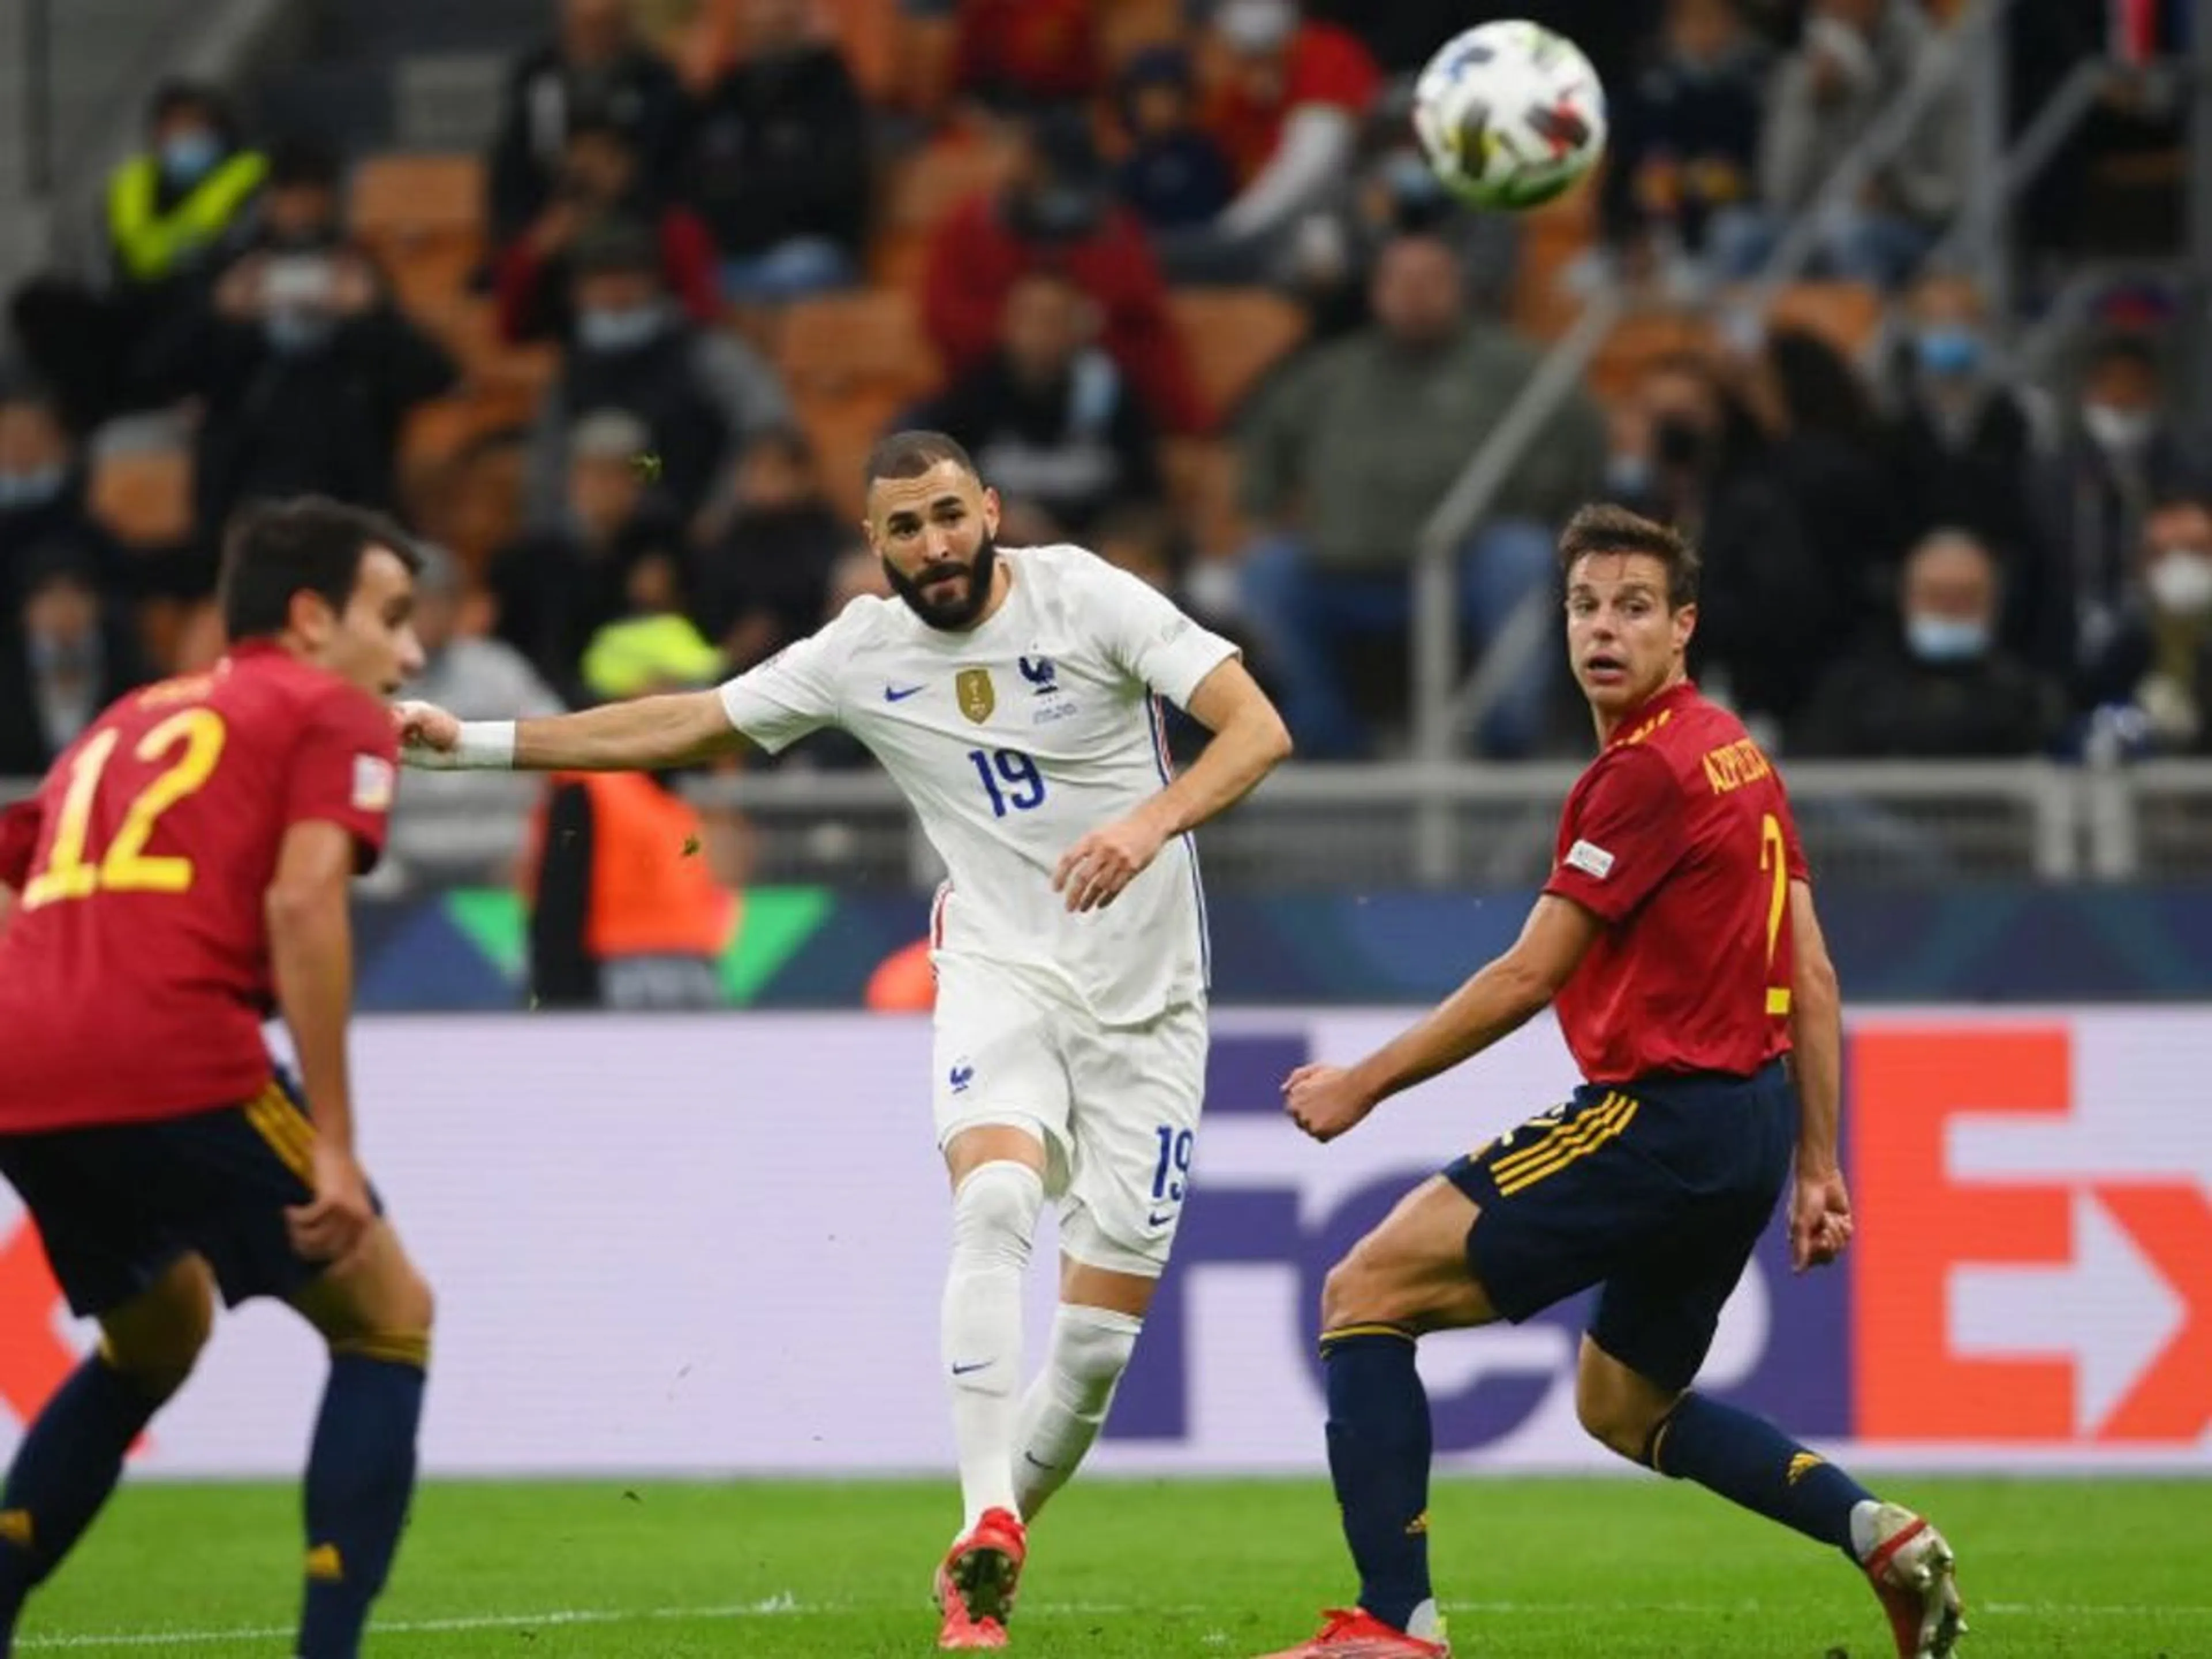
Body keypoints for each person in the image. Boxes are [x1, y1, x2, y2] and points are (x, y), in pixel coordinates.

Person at [398, 430, 1293, 1650]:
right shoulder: (859, 653)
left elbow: (1256, 731)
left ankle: (986, 1539)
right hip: (999, 966)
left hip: (1152, 1004)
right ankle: (988, 1523)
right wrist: (480, 746)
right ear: (874, 546)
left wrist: (1148, 824)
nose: (934, 547)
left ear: (989, 507)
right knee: (992, 1204)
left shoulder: (1087, 594)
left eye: (947, 517)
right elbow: (687, 724)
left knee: (1089, 1358)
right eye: (904, 530)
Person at [1251, 505, 1964, 1659]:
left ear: (1682, 628)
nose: (1604, 629)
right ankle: (1871, 1528)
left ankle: (1393, 1624)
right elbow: (1816, 973)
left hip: (1663, 1117)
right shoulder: (1737, 750)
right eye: (1586, 605)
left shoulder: (1638, 778)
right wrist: (1819, 1164)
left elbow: (1532, 971)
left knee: (1364, 1291)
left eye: (1634, 608)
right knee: (1624, 1408)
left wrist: (1365, 1086)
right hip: (1749, 1124)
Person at [0, 498, 434, 1659]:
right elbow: (303, 903)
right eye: (392, 618)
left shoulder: (126, 717)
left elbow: (13, 855)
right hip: (176, 1052)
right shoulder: (330, 709)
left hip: (20, 1069)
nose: (411, 653)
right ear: (308, 617)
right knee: (389, 1318)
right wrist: (332, 1140)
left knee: (156, 1333)